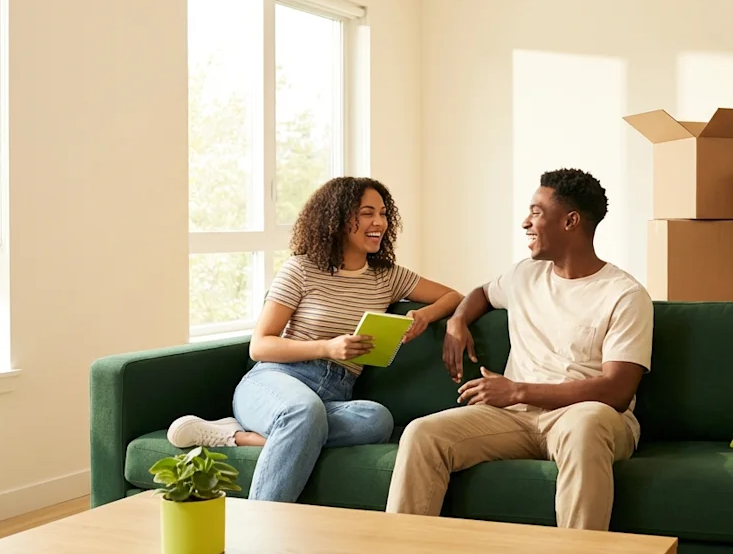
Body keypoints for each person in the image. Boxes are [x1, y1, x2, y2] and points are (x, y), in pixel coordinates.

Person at [384, 168, 654, 530]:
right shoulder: (525, 275)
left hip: (588, 415)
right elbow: (481, 293)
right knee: (422, 434)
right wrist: (457, 321)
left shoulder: (624, 295)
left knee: (586, 426)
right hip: (516, 417)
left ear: (571, 221)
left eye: (537, 212)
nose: (526, 222)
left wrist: (516, 389)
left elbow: (617, 392)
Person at [167, 177, 463, 504]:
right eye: (367, 213)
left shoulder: (388, 277)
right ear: (336, 219)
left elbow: (454, 296)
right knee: (304, 412)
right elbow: (260, 345)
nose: (379, 222)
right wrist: (327, 347)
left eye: (383, 213)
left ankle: (240, 436)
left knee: (377, 419)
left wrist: (425, 315)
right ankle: (260, 526)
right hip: (277, 380)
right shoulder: (301, 270)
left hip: (334, 394)